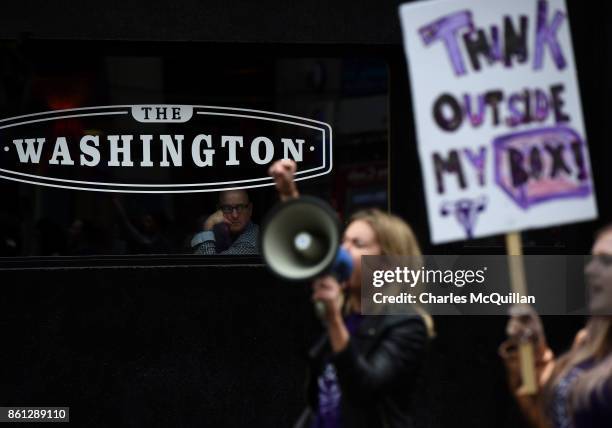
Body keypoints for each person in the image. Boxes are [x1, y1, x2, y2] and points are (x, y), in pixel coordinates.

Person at [268, 159, 434, 428]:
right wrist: (289, 195)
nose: (344, 250)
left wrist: (333, 321)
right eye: (343, 241)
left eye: (358, 244)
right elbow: (310, 248)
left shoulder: (406, 325)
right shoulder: (344, 313)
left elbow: (365, 389)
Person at [499, 224, 612, 428]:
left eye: (606, 261)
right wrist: (534, 350)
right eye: (592, 260)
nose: (590, 270)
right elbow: (551, 413)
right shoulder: (587, 342)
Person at [191, 189, 259, 255]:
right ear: (218, 210)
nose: (235, 215)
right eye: (227, 208)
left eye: (240, 207)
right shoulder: (222, 231)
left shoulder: (252, 240)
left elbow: (211, 265)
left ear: (250, 209)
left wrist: (208, 226)